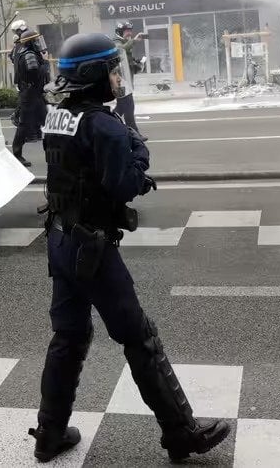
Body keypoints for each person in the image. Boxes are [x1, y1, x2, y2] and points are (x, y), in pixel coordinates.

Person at [29, 32, 229, 463]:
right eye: (113, 70)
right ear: (94, 75)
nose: (118, 78)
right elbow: (124, 185)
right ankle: (181, 433)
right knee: (140, 338)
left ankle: (49, 434)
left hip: (60, 241)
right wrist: (138, 151)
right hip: (92, 249)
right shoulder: (104, 125)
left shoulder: (58, 116)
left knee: (69, 336)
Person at [10, 20, 49, 167]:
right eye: (35, 40)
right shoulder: (29, 55)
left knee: (48, 122)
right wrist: (45, 63)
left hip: (34, 94)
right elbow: (35, 74)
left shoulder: (23, 51)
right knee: (24, 125)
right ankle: (16, 154)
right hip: (30, 94)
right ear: (31, 42)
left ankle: (56, 151)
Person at [111, 22, 145, 133]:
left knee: (121, 107)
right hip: (119, 81)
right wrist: (133, 41)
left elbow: (127, 63)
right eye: (127, 31)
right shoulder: (116, 42)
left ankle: (109, 125)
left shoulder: (125, 42)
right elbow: (120, 51)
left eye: (130, 30)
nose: (129, 33)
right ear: (120, 32)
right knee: (129, 106)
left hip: (127, 80)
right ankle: (134, 132)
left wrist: (138, 64)